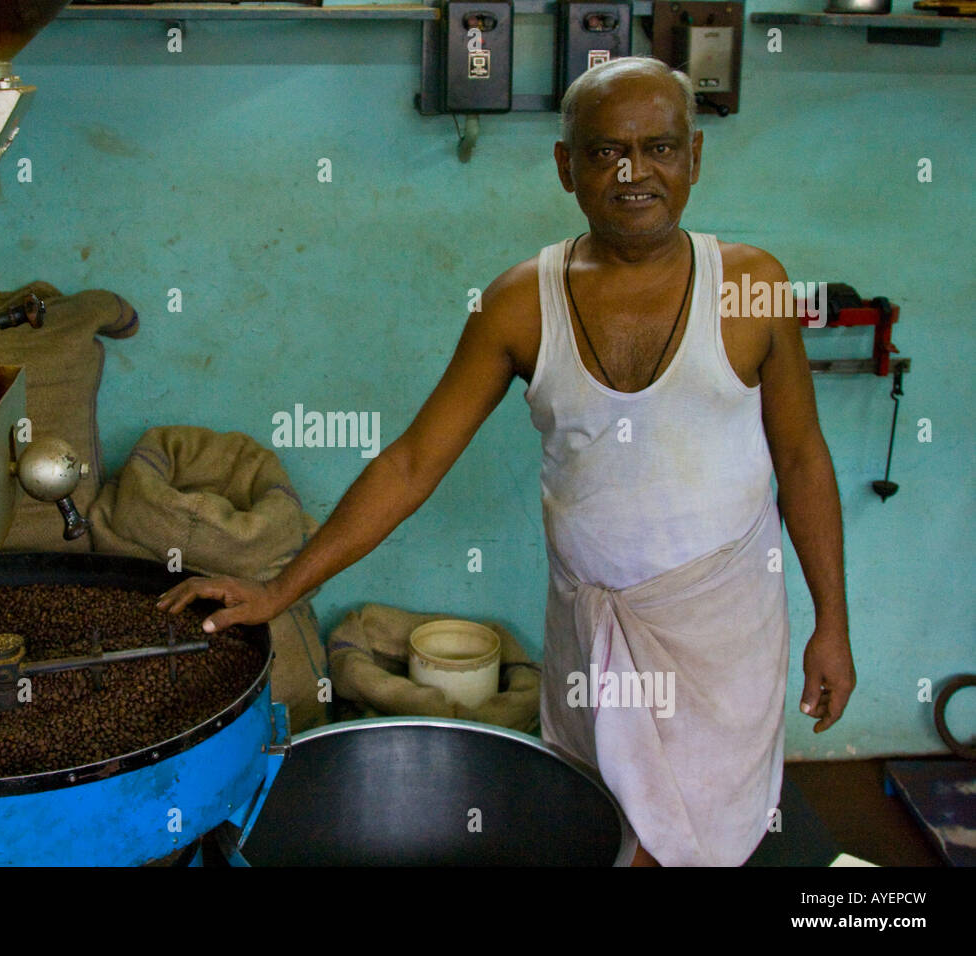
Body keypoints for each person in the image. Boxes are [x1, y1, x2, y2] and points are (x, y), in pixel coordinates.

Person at [157, 56, 856, 866]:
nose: (634, 173)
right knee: (601, 821)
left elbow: (803, 461)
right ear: (566, 167)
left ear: (695, 157)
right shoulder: (520, 304)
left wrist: (830, 626)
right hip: (590, 628)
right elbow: (410, 464)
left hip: (720, 637)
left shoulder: (751, 286)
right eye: (604, 152)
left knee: (708, 838)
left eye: (660, 148)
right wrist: (280, 590)